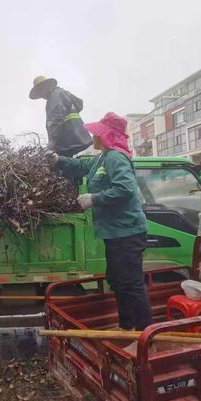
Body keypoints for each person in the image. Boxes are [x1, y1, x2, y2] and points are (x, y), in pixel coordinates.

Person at [47, 112, 153, 331]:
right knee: (117, 281)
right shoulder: (101, 158)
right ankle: (127, 327)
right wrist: (58, 160)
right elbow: (81, 167)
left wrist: (94, 199)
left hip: (128, 233)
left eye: (96, 133)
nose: (92, 136)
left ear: (107, 136)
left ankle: (145, 334)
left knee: (131, 284)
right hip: (114, 234)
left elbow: (125, 189)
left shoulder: (116, 157)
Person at [29, 76, 92, 156]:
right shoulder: (64, 93)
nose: (41, 95)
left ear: (46, 86)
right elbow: (79, 105)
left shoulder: (54, 96)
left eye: (40, 91)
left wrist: (52, 142)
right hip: (83, 141)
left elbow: (56, 118)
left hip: (71, 146)